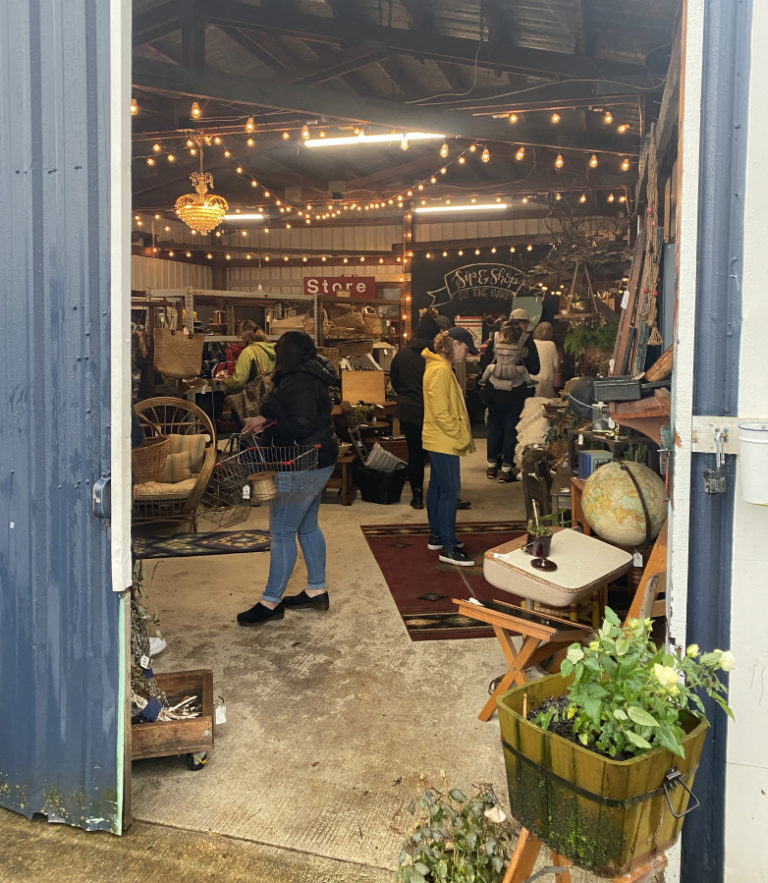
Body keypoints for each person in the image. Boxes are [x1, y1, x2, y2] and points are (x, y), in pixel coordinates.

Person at [236, 332, 339, 626]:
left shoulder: (298, 380)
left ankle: (271, 602)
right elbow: (301, 417)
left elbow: (299, 424)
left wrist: (270, 420)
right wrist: (266, 420)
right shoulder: (312, 374)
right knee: (307, 526)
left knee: (282, 532)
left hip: (300, 463)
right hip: (318, 459)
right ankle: (316, 591)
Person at [421, 327, 477, 567]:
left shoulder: (437, 367)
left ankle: (438, 535)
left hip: (439, 438)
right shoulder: (441, 370)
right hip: (444, 439)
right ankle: (448, 546)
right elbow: (440, 411)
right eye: (465, 348)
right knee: (450, 491)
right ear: (454, 344)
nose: (466, 354)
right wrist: (460, 435)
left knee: (437, 487)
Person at [389, 311, 441, 509]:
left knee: (415, 454)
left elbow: (394, 381)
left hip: (409, 411)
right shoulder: (437, 356)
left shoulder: (402, 354)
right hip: (434, 412)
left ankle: (417, 496)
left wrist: (405, 395)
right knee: (438, 454)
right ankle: (439, 495)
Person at [481, 308, 540, 482]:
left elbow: (483, 363)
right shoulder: (526, 340)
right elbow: (536, 368)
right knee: (510, 430)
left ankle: (492, 467)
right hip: (516, 393)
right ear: (523, 323)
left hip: (493, 392)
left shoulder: (496, 337)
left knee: (494, 428)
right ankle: (506, 470)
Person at [529, 322, 561, 398]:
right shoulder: (551, 344)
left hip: (532, 378)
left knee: (533, 402)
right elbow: (556, 366)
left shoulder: (532, 343)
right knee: (546, 403)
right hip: (546, 379)